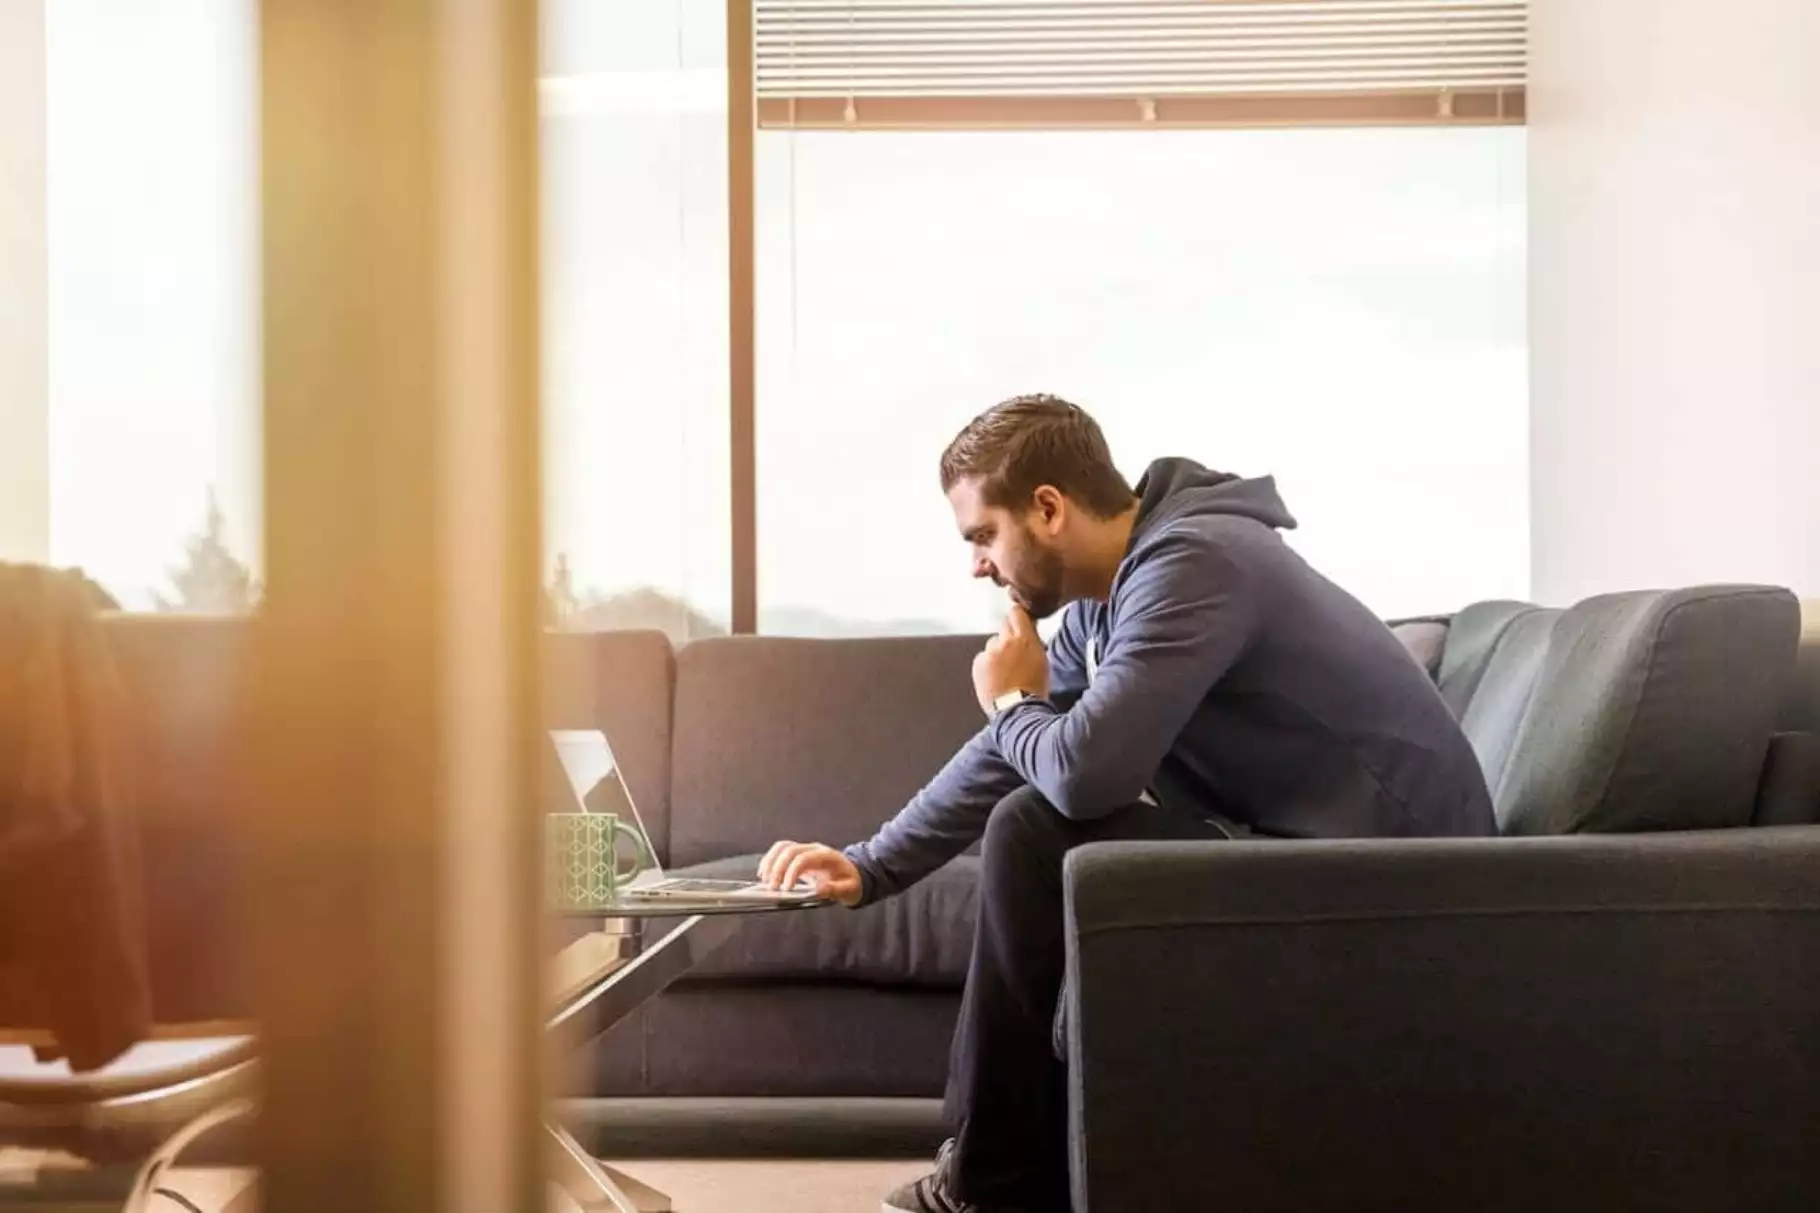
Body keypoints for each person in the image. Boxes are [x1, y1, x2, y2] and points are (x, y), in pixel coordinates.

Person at [757, 394, 1495, 1213]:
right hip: (1302, 850)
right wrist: (869, 863)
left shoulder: (1196, 565)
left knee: (1040, 829)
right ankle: (994, 1172)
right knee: (1032, 820)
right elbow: (1008, 758)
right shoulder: (1113, 602)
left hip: (1407, 881)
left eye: (982, 536)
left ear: (1047, 508)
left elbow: (1082, 775)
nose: (977, 566)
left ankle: (991, 1182)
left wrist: (1012, 704)